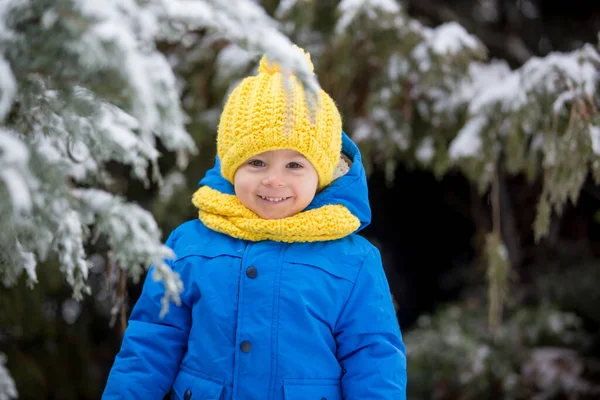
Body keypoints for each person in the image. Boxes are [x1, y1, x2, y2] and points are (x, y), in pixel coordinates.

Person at [102, 46, 407, 400]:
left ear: (321, 175)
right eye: (257, 163)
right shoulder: (189, 245)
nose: (274, 180)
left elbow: (373, 358)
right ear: (231, 167)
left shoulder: (354, 261)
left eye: (295, 166)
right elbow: (151, 343)